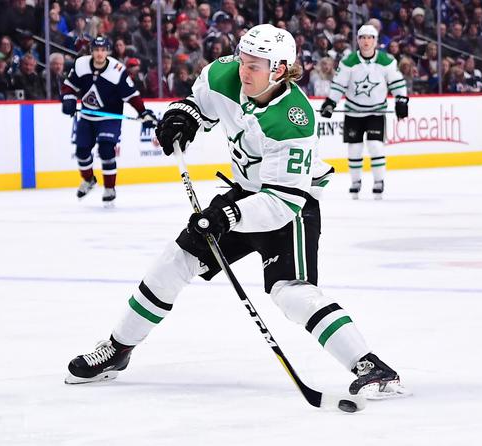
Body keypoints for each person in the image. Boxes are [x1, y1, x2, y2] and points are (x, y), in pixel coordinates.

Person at [65, 24, 406, 401]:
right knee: (174, 262)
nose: (244, 70)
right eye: (243, 59)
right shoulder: (224, 74)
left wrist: (226, 217)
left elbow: (281, 203)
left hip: (291, 204)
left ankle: (370, 365)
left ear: (278, 69)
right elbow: (198, 105)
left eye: (255, 65)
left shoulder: (294, 120)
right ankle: (118, 348)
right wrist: (182, 118)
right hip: (245, 191)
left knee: (291, 293)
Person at [60, 36, 158, 204]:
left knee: (106, 150)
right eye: (96, 50)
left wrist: (143, 112)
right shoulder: (80, 64)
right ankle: (89, 180)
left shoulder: (117, 70)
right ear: (91, 51)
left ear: (107, 51)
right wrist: (68, 98)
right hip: (86, 116)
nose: (99, 53)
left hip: (109, 118)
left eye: (102, 50)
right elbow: (69, 85)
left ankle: (109, 188)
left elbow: (131, 95)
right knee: (82, 153)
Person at [320, 25, 409, 200]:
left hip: (376, 112)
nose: (366, 41)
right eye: (363, 38)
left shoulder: (387, 61)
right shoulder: (348, 62)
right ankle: (355, 182)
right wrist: (330, 102)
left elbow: (397, 83)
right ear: (358, 40)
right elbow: (339, 84)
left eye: (370, 38)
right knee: (354, 149)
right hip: (353, 112)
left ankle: (378, 181)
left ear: (375, 41)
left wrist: (401, 100)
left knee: (376, 146)